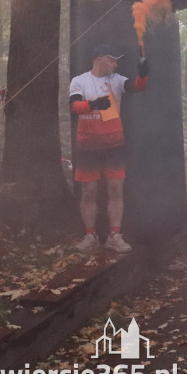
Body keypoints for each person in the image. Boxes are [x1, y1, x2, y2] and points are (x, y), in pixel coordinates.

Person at [69, 44, 150, 254]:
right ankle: (90, 236)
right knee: (89, 191)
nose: (115, 64)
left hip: (114, 144)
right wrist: (94, 105)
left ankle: (114, 235)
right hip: (87, 145)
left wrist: (143, 72)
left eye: (117, 61)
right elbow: (75, 106)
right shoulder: (79, 80)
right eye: (112, 60)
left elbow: (137, 86)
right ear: (99, 59)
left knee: (116, 189)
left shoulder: (116, 80)